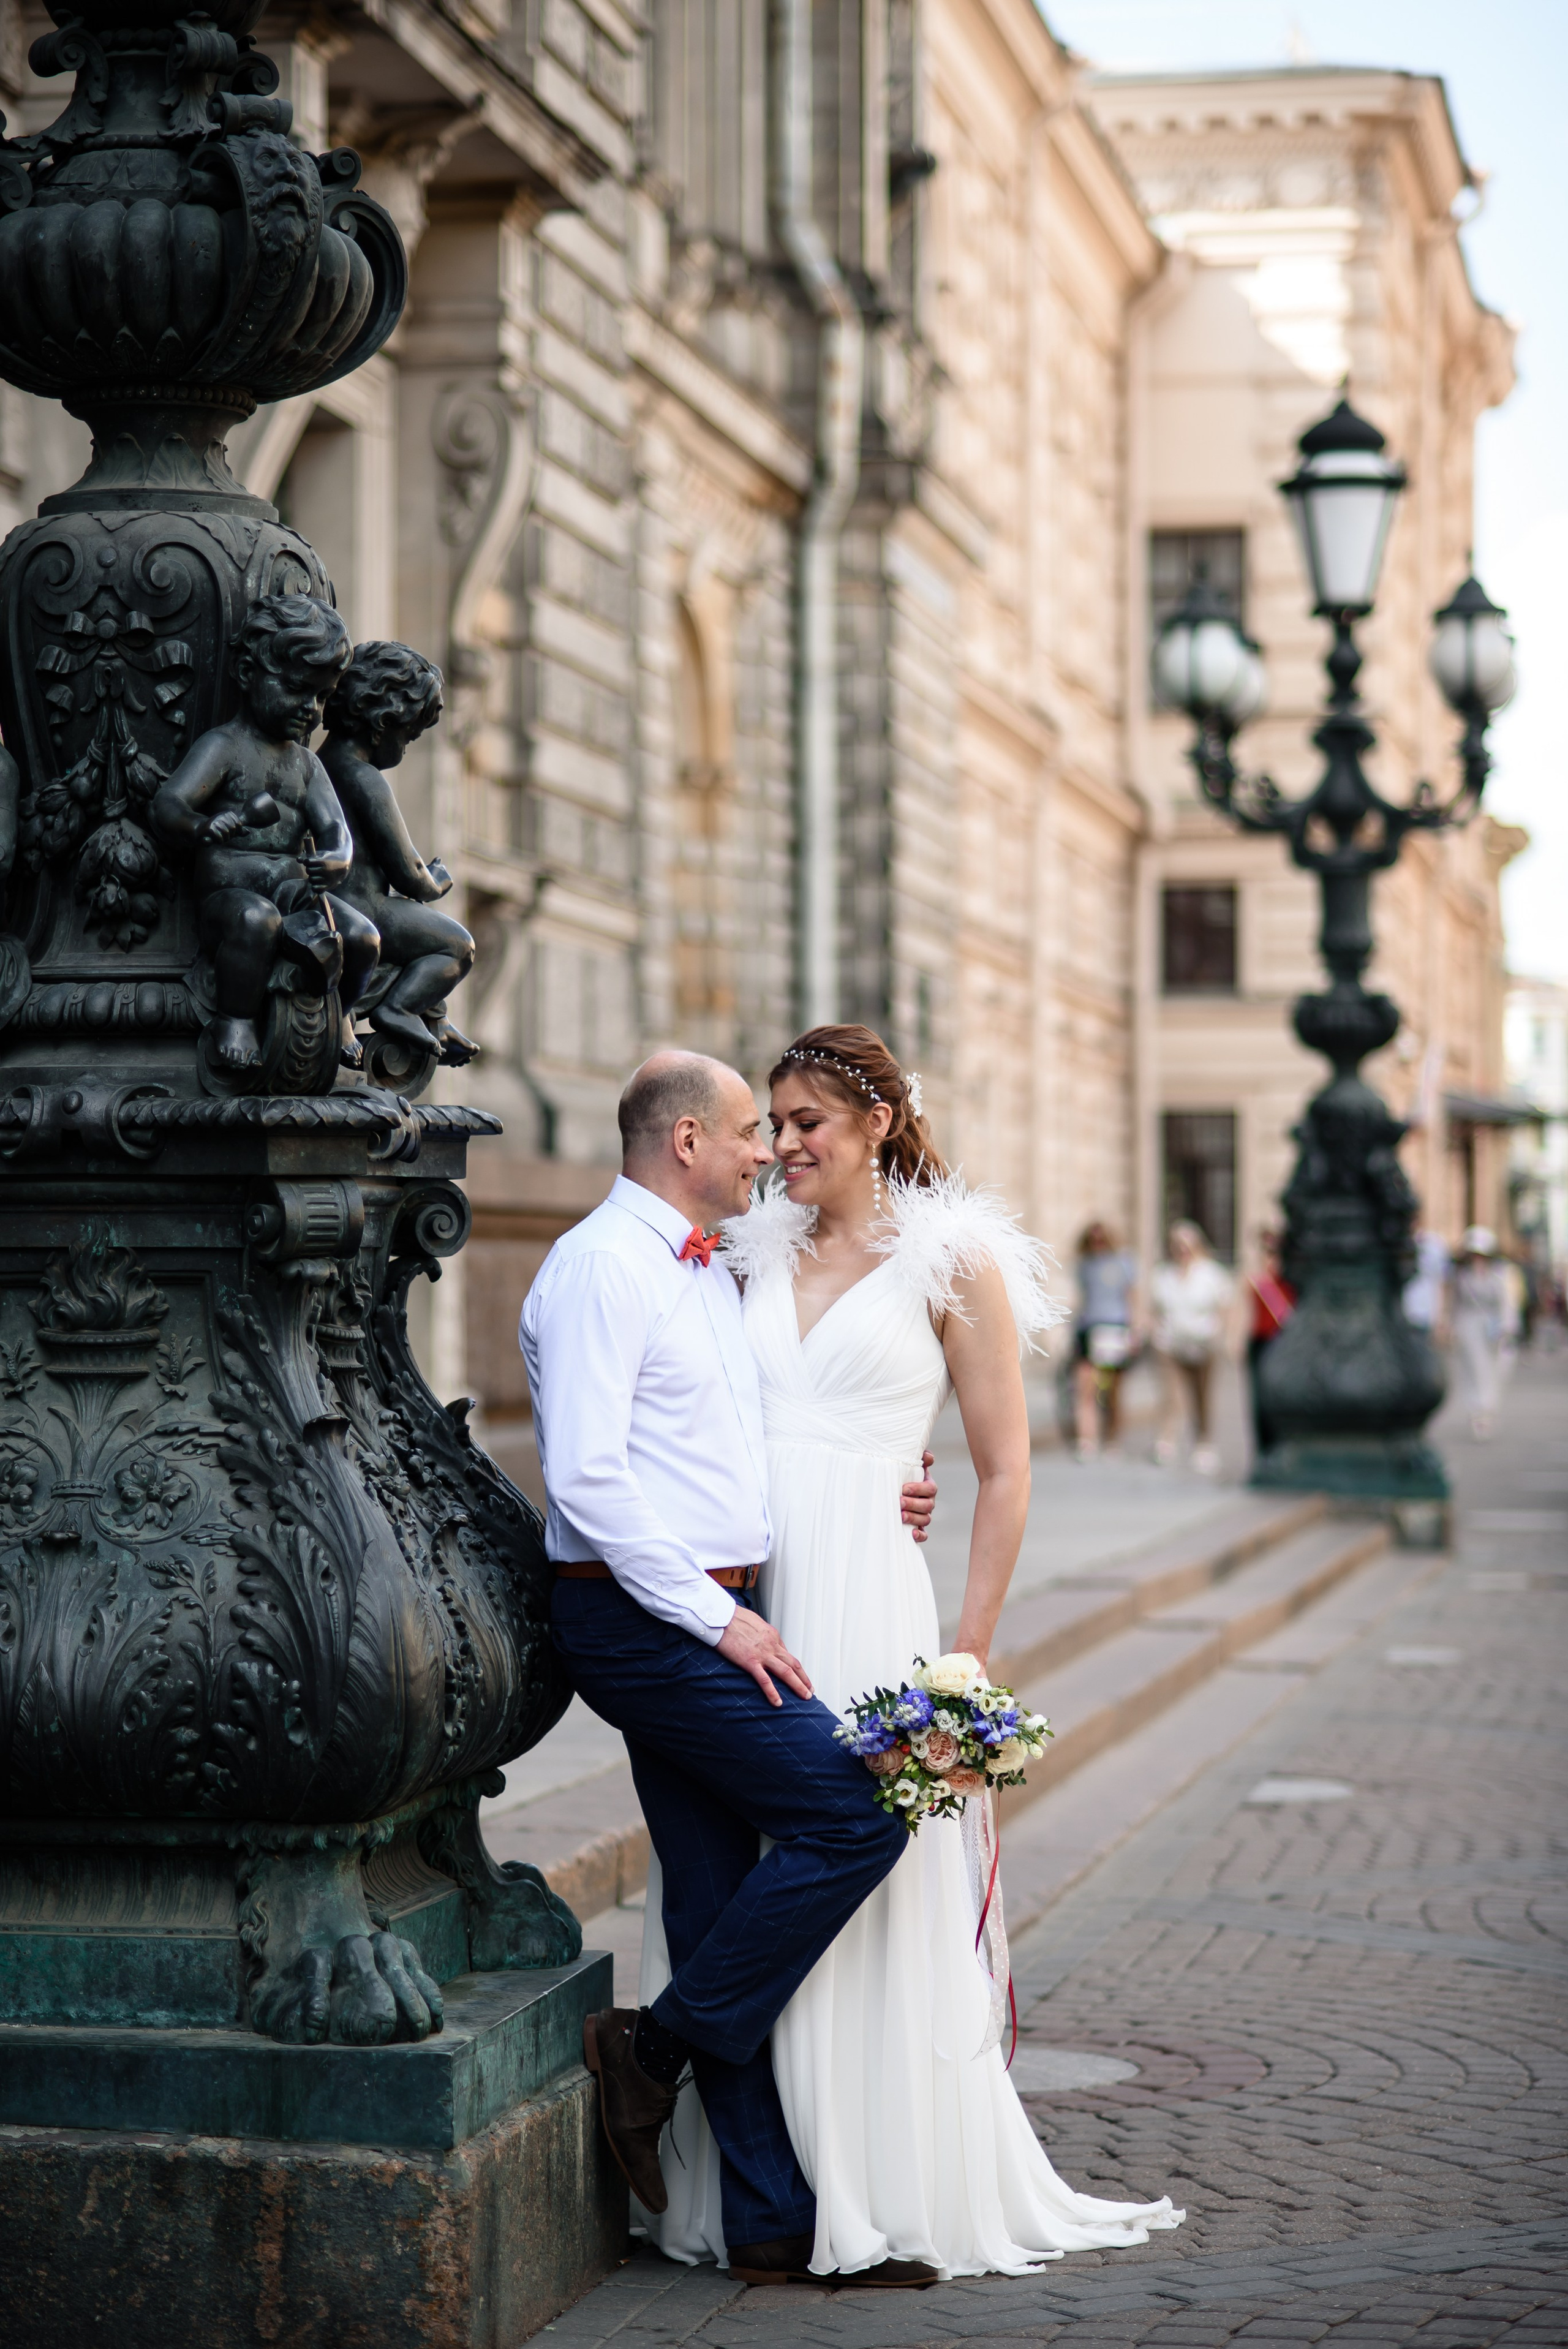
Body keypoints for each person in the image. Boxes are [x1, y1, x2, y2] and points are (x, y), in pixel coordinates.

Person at [639, 1024, 1184, 2280]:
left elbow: (1003, 1470)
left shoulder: (952, 1262)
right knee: (747, 1866)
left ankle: (879, 2180)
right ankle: (756, 2185)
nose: (780, 1147)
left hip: (873, 1605)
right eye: (768, 1124)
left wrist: (966, 1656)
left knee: (871, 1872)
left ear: (877, 1123)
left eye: (804, 1123)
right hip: (751, 1591)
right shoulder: (740, 1254)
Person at [519, 1052, 941, 2288]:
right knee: (859, 1808)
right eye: (753, 1131)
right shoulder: (603, 1265)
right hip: (647, 1623)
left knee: (709, 1901)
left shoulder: (706, 1261)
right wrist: (717, 1620)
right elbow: (589, 1478)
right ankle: (649, 2049)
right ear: (688, 1139)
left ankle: (766, 2217)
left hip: (711, 1605)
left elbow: (755, 1425)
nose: (767, 1153)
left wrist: (892, 1483)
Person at [151, 594, 380, 1072]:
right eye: (299, 688)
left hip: (294, 890)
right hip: (230, 893)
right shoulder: (224, 747)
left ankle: (343, 1015)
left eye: (322, 697)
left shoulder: (307, 764)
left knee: (363, 938)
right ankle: (234, 1019)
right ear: (248, 675)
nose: (311, 709)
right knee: (256, 922)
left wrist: (336, 859)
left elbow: (337, 831)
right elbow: (169, 805)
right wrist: (203, 825)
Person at [318, 641, 478, 1068]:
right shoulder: (365, 778)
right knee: (457, 945)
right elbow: (409, 873)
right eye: (408, 736)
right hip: (363, 908)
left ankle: (435, 1018)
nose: (406, 748)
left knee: (420, 924)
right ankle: (400, 1009)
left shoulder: (321, 763)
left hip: (344, 902)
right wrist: (437, 880)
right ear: (382, 723)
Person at [1149, 1220, 1234, 1475]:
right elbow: (1154, 1308)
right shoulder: (1164, 1275)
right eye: (1177, 1246)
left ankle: (1204, 1443)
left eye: (1187, 1245)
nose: (1182, 1251)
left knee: (1202, 1396)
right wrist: (1154, 1333)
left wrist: (1224, 1334)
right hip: (1171, 1343)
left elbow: (1225, 1307)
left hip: (1203, 1343)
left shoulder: (1211, 1274)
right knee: (1171, 1395)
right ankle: (1167, 1440)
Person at [1071, 1222, 1139, 1459]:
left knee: (1114, 1392)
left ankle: (1113, 1439)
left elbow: (1132, 1297)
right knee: (1086, 1388)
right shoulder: (1085, 1265)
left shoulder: (1123, 1262)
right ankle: (1086, 1440)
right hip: (1090, 1328)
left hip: (1116, 1328)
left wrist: (1135, 1331)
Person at [1451, 1226, 1510, 1439]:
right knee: (1473, 1368)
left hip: (1492, 1326)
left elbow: (1505, 1304)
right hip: (1468, 1325)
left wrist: (1506, 1327)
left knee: (1492, 1368)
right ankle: (1478, 1411)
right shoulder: (1463, 1276)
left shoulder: (1498, 1276)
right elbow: (1456, 1304)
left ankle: (1488, 1408)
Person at [1244, 1227, 1295, 1459]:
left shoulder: (1292, 1279)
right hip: (1261, 1342)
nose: (1270, 1256)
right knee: (1260, 1403)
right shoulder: (1258, 1280)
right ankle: (1264, 1452)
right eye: (1266, 1251)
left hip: (1285, 1343)